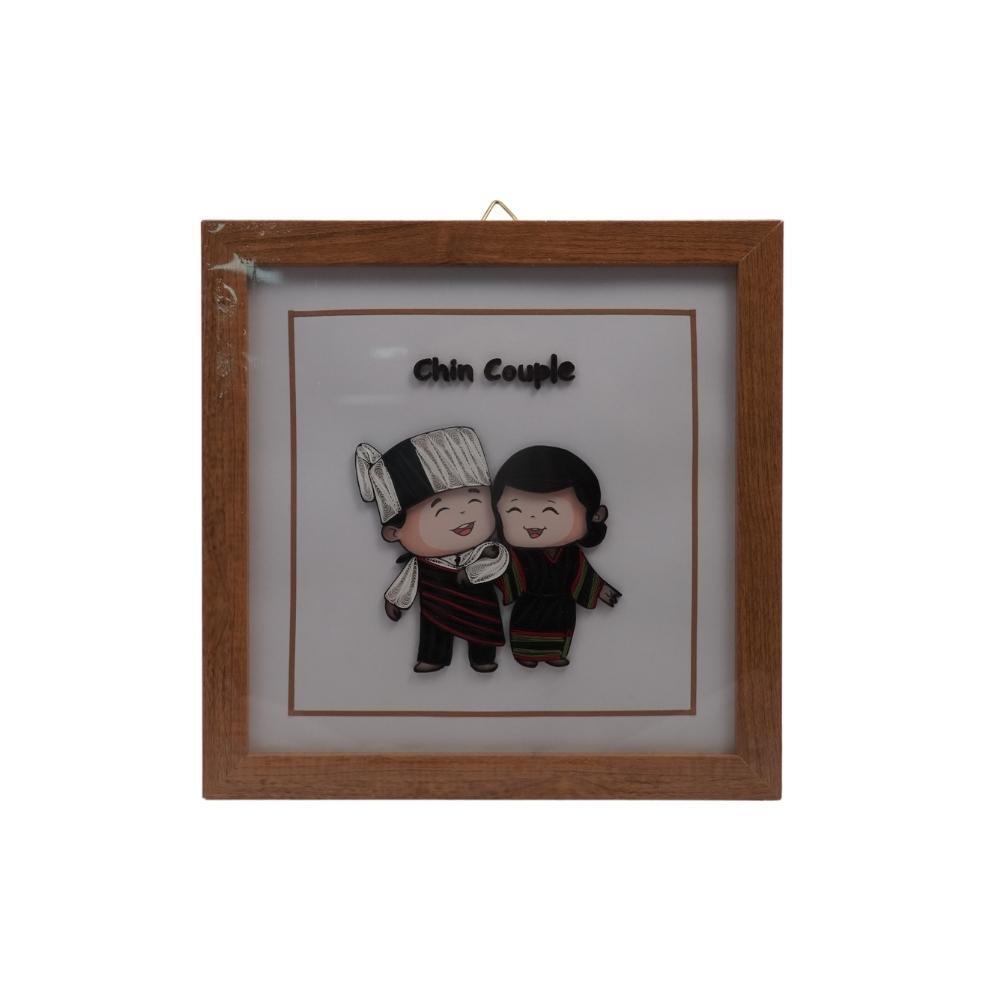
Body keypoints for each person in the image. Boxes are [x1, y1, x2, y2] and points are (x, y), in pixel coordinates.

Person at [355, 426, 509, 673]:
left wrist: (473, 573)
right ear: (395, 532)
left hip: (480, 605)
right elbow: (408, 579)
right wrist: (396, 600)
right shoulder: (423, 563)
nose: (462, 513)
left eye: (474, 499)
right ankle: (433, 657)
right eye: (441, 510)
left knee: (483, 629)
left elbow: (499, 561)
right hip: (436, 606)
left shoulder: (486, 550)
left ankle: (483, 658)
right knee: (434, 629)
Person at [492, 445, 621, 667]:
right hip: (530, 603)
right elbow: (503, 571)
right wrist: (485, 571)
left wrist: (602, 590)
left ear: (595, 514)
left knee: (560, 627)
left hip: (561, 603)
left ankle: (554, 654)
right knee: (527, 627)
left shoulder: (572, 555)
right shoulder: (516, 554)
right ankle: (525, 654)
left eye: (551, 511)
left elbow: (585, 576)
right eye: (515, 510)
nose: (532, 519)